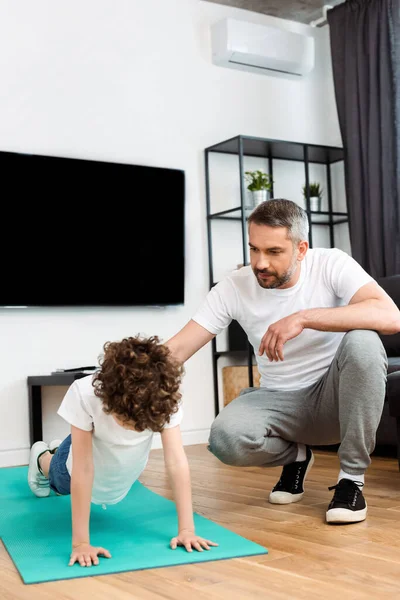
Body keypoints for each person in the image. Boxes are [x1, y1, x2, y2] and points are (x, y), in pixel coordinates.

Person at [165, 199, 400, 525]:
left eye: (274, 252)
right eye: (254, 249)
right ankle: (298, 456)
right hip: (278, 402)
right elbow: (177, 349)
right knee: (224, 440)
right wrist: (113, 381)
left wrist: (303, 318)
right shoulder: (234, 287)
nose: (260, 263)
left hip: (335, 398)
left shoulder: (331, 263)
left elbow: (390, 316)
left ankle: (351, 480)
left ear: (301, 249)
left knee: (364, 340)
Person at [27, 336, 218, 567]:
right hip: (74, 467)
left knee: (100, 476)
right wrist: (80, 543)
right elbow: (83, 468)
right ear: (109, 397)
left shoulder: (163, 397)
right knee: (59, 481)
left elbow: (176, 462)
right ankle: (42, 458)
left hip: (117, 469)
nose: (130, 427)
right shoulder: (84, 393)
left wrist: (187, 529)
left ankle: (59, 449)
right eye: (125, 419)